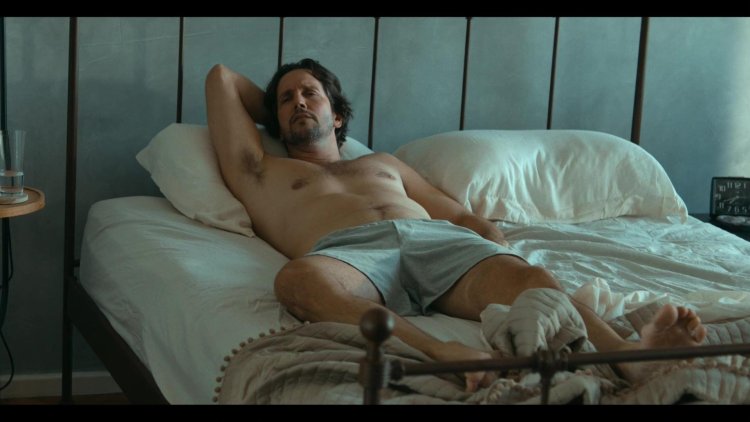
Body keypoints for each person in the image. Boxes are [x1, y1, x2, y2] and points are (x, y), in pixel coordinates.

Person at [205, 58, 707, 392]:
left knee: (532, 279)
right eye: (286, 98)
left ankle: (626, 355)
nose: (297, 102)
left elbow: (462, 216)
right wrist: (284, 106)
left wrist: (500, 250)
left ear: (338, 116)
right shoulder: (263, 171)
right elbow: (222, 78)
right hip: (350, 254)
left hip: (436, 241)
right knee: (296, 281)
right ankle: (440, 351)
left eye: (310, 94)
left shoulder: (383, 163)